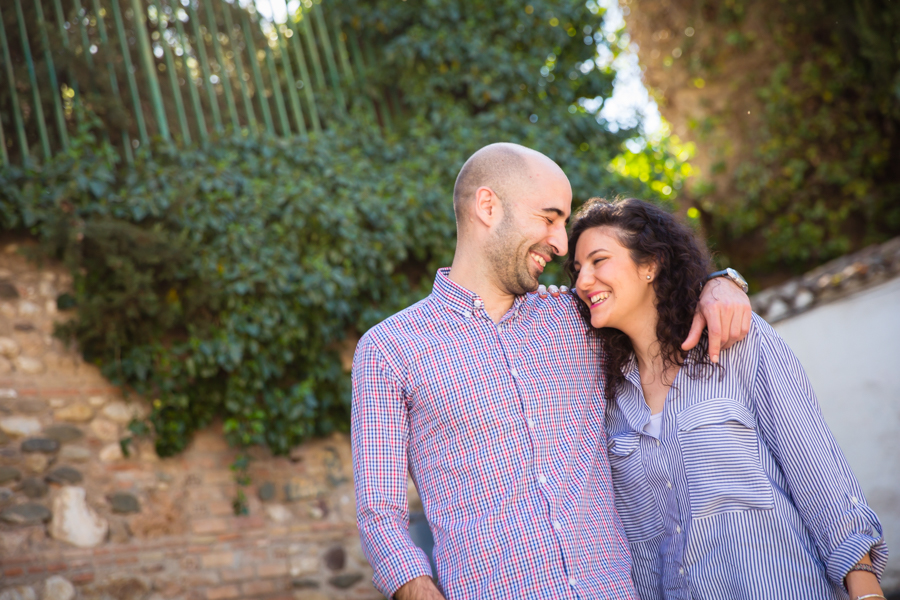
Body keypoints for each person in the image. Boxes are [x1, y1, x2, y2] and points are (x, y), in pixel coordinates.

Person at [351, 143, 752, 600]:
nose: (562, 244)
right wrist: (418, 590)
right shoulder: (389, 349)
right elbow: (381, 515)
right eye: (549, 218)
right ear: (488, 206)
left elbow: (660, 292)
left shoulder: (578, 315)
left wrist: (722, 283)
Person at [566, 197, 889, 600]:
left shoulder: (738, 343)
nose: (582, 282)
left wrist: (866, 590)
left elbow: (819, 474)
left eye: (599, 261)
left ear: (649, 265)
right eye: (578, 270)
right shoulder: (607, 396)